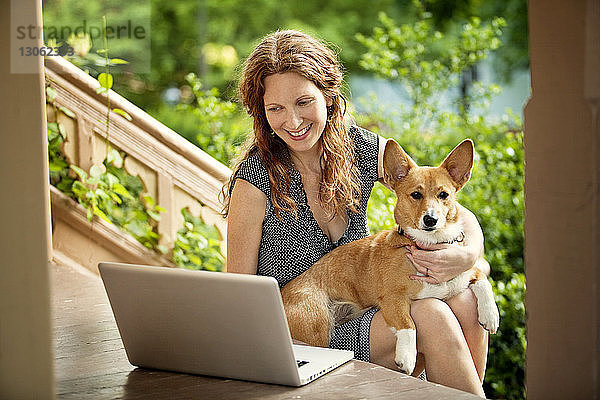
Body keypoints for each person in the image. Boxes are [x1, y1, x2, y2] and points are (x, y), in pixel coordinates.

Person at [223, 29, 489, 397]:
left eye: (304, 102)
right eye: (275, 108)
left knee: (467, 299)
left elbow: (440, 196)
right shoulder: (255, 179)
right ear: (261, 112)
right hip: (301, 329)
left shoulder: (360, 148)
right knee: (430, 315)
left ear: (329, 98)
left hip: (362, 309)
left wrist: (468, 253)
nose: (293, 121)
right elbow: (237, 293)